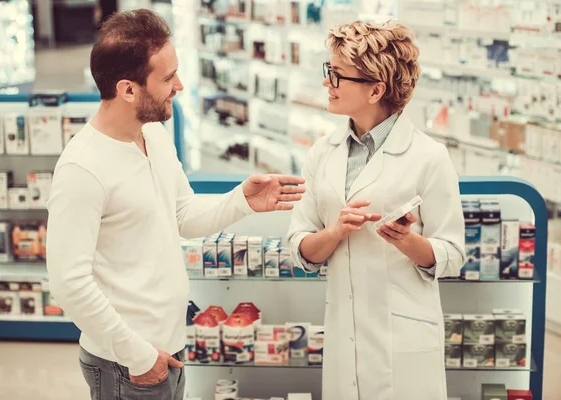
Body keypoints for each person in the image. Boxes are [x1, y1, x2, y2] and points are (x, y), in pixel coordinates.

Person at [46, 9, 305, 400]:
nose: (180, 85)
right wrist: (138, 356)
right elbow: (69, 283)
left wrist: (242, 201)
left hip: (166, 350)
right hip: (125, 364)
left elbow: (183, 215)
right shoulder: (82, 169)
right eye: (168, 78)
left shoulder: (153, 133)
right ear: (128, 89)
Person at [287, 20, 466, 399]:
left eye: (336, 75)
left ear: (376, 90)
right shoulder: (323, 152)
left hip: (404, 337)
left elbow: (452, 255)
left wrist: (406, 240)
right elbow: (300, 247)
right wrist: (333, 233)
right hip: (343, 335)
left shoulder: (429, 157)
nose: (326, 83)